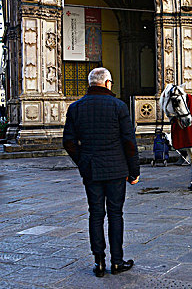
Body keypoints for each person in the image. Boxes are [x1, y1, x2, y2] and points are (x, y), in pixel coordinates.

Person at [63, 67, 140, 277]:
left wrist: (83, 161)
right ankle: (117, 262)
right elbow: (129, 142)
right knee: (116, 214)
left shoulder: (76, 108)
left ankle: (98, 262)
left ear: (91, 83)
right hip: (116, 171)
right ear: (107, 83)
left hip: (91, 171)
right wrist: (134, 171)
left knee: (95, 214)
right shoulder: (118, 106)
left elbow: (68, 142)